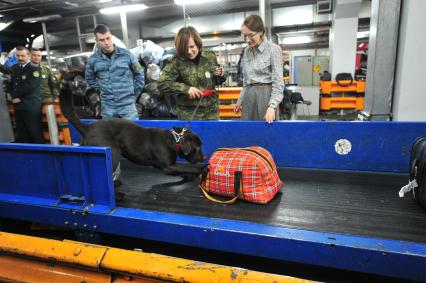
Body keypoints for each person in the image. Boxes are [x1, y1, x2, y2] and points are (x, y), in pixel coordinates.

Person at [158, 26, 225, 120]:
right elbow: (162, 83)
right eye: (185, 48)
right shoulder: (176, 62)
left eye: (192, 47)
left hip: (212, 112)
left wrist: (220, 75)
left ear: (198, 43)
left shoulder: (210, 57)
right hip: (189, 114)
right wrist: (186, 89)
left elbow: (217, 80)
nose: (189, 51)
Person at [85, 24, 144, 120]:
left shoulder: (127, 55)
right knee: (110, 134)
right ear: (97, 41)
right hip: (108, 106)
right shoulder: (93, 60)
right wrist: (101, 87)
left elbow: (139, 73)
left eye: (108, 38)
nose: (106, 42)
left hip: (127, 105)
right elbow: (89, 78)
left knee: (131, 134)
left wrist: (134, 92)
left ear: (111, 37)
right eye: (102, 40)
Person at [233, 15, 284, 123]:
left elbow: (278, 82)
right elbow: (246, 82)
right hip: (249, 96)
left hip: (266, 97)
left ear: (261, 32)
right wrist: (240, 100)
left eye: (251, 35)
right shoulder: (247, 51)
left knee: (267, 133)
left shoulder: (273, 49)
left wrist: (272, 106)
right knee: (248, 132)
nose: (247, 40)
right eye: (245, 36)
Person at [0, 46, 43, 143]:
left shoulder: (34, 69)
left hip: (31, 105)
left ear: (28, 56)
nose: (20, 58)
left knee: (34, 132)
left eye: (22, 56)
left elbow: (30, 86)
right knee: (22, 133)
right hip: (18, 105)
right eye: (18, 56)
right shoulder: (15, 68)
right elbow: (10, 83)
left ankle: (39, 155)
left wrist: (16, 96)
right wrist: (12, 95)